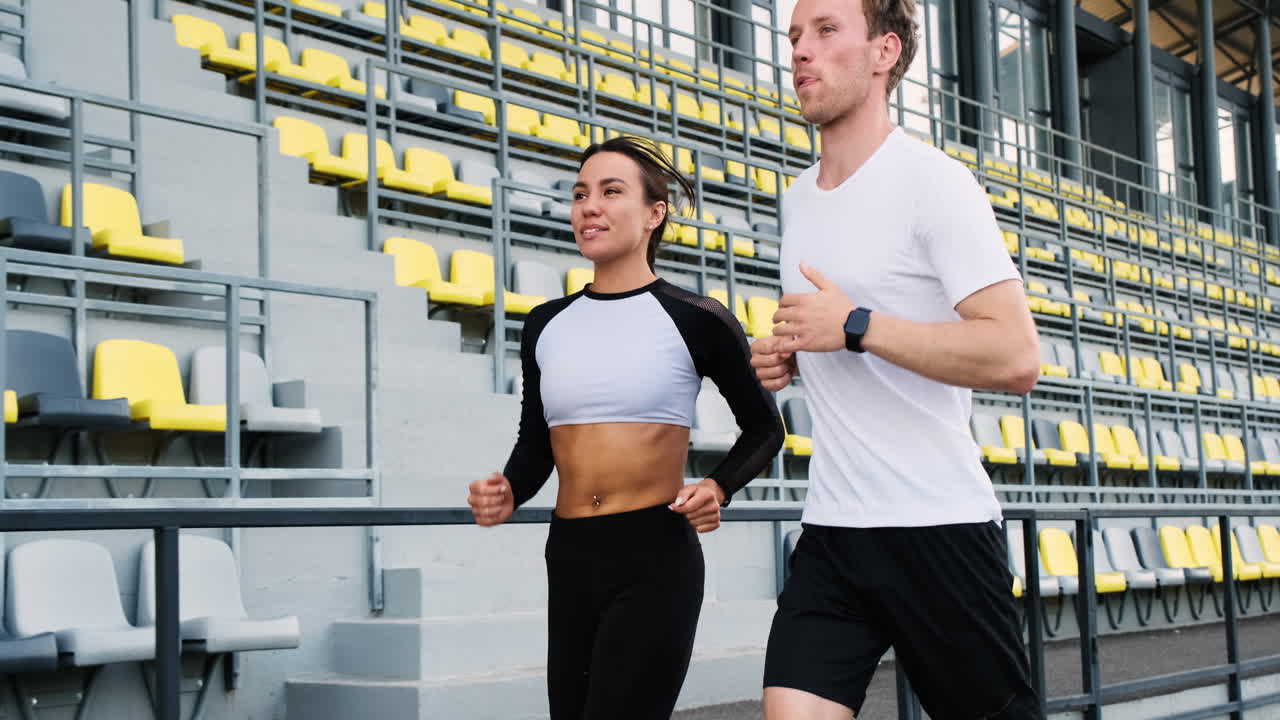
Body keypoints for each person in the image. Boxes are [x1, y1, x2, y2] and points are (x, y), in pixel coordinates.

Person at [752, 0, 1043, 718]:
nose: (800, 52)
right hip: (834, 529)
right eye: (793, 36)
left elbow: (1015, 355)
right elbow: (833, 332)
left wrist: (853, 325)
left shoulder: (935, 183)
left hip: (938, 525)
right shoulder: (796, 201)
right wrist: (789, 356)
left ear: (884, 53)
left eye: (824, 31)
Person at [468, 135, 785, 720]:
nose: (590, 206)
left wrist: (717, 486)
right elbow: (537, 445)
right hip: (569, 554)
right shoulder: (544, 324)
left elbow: (765, 428)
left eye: (612, 192)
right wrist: (508, 489)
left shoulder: (698, 318)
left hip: (654, 556)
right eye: (581, 193)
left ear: (654, 213)